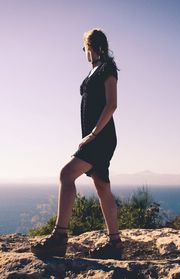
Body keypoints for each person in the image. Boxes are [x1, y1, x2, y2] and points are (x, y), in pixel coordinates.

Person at [30, 28, 122, 259]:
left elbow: (111, 104)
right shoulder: (92, 72)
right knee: (102, 186)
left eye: (84, 48)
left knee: (66, 174)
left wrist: (92, 134)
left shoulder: (107, 69)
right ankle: (115, 244)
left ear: (91, 47)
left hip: (100, 137)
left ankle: (59, 238)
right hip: (95, 137)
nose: (84, 53)